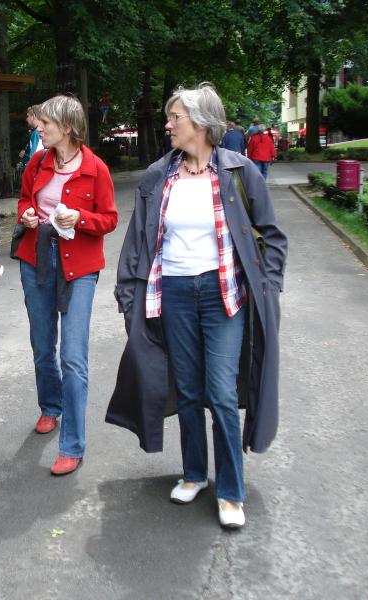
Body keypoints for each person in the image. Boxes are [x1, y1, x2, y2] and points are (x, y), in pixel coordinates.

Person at [106, 84, 287, 528]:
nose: (168, 124)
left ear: (202, 123)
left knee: (221, 393)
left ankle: (231, 490)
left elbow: (272, 237)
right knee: (187, 388)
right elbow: (138, 241)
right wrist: (128, 293)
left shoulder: (241, 172)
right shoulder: (158, 176)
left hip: (224, 295)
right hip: (174, 293)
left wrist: (268, 287)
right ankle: (193, 473)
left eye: (176, 118)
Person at [15, 95, 118, 476]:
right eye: (40, 122)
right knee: (43, 345)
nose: (39, 128)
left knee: (73, 357)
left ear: (68, 127)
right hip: (37, 259)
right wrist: (27, 214)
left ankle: (72, 444)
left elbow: (109, 219)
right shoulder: (38, 161)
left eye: (46, 123)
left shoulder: (96, 169)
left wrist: (80, 218)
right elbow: (25, 199)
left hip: (79, 266)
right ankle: (50, 406)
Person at [19, 105, 44, 169]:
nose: (26, 119)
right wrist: (26, 153)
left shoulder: (37, 133)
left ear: (34, 116)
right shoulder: (34, 132)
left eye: (28, 116)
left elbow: (34, 156)